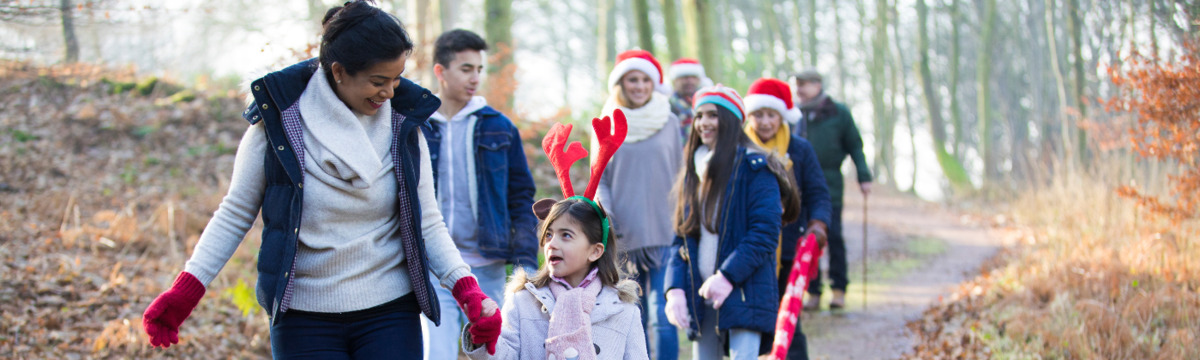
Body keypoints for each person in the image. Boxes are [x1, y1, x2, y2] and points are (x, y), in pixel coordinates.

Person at [140, 2, 502, 358]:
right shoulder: (279, 124)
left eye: (396, 79)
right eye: (378, 81)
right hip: (303, 317)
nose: (390, 93)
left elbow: (427, 221)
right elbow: (235, 213)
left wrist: (467, 290)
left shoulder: (403, 125)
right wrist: (186, 290)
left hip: (390, 312)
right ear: (339, 71)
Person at [464, 113, 647, 359]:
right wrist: (485, 334)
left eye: (566, 235)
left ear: (595, 250)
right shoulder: (522, 302)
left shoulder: (622, 310)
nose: (552, 243)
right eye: (549, 234)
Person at [420, 29, 539, 359]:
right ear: (440, 72)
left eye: (479, 69)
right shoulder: (416, 127)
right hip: (436, 266)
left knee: (495, 352)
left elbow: (521, 196)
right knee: (436, 353)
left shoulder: (499, 127)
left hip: (489, 263)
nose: (475, 78)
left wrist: (526, 261)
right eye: (466, 69)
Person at [663, 85, 801, 360]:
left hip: (743, 288)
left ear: (730, 121)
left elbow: (764, 234)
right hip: (701, 292)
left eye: (712, 115)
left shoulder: (756, 168)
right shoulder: (694, 170)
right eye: (699, 116)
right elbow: (681, 239)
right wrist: (674, 289)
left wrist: (726, 277)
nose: (704, 123)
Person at [593, 49, 682, 359]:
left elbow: (682, 172)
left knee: (663, 315)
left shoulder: (669, 122)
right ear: (621, 83)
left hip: (665, 232)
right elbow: (599, 176)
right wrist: (608, 217)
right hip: (622, 237)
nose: (640, 86)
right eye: (633, 79)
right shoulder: (606, 123)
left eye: (646, 80)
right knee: (631, 316)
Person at [742, 78, 833, 360]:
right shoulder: (739, 149)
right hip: (751, 247)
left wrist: (818, 224)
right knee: (753, 318)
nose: (765, 122)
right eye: (759, 115)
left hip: (789, 247)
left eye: (772, 115)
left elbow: (818, 193)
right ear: (749, 116)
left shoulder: (800, 149)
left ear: (782, 116)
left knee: (789, 316)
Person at [791, 70, 872, 311]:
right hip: (797, 187)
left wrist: (864, 176)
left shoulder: (838, 113)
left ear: (818, 85)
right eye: (797, 85)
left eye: (804, 84)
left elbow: (855, 146)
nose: (800, 89)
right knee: (804, 239)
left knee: (832, 235)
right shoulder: (794, 115)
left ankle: (839, 289)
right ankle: (812, 291)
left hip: (829, 184)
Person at [666, 58, 712, 139]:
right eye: (685, 77)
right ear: (675, 80)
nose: (690, 81)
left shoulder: (707, 103)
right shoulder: (666, 105)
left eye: (693, 77)